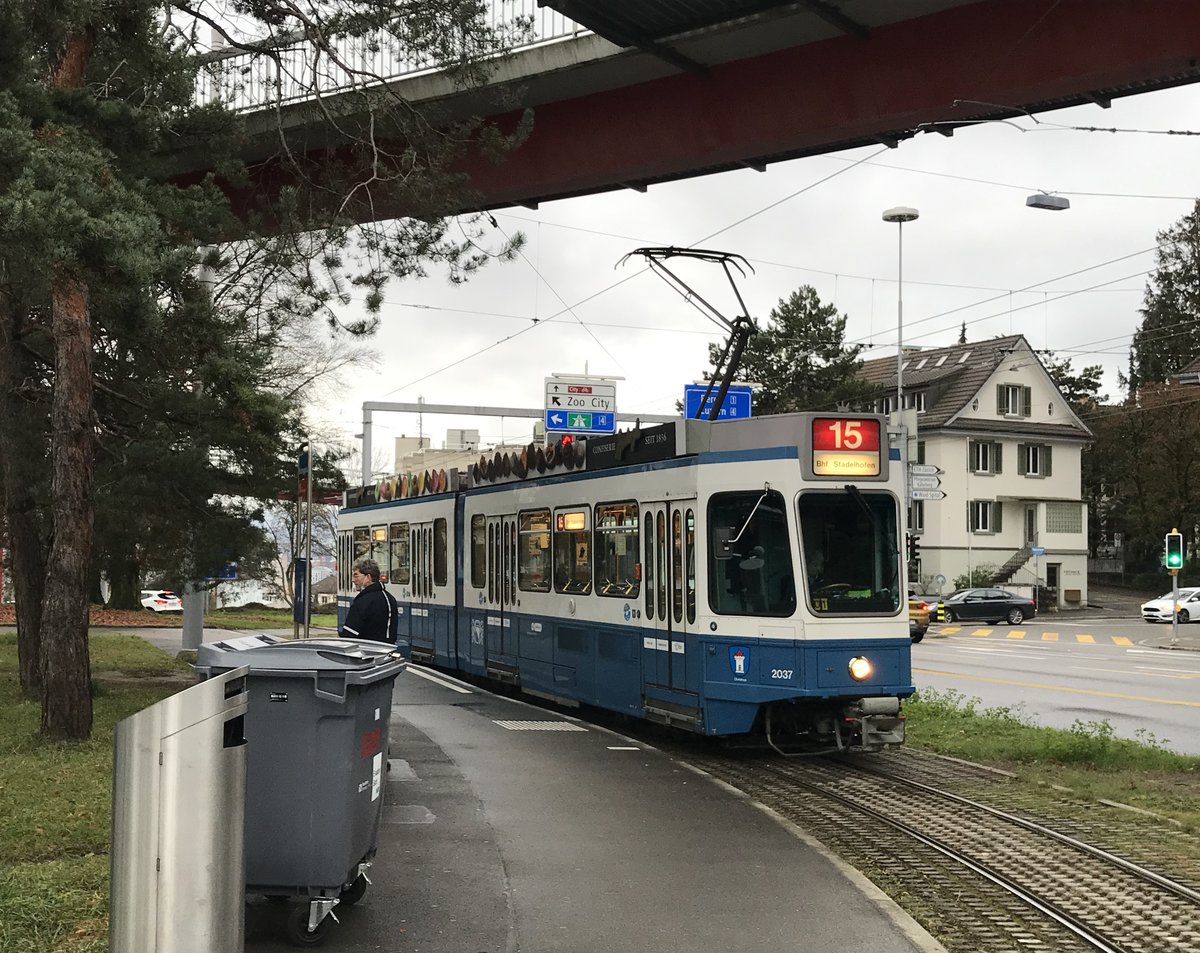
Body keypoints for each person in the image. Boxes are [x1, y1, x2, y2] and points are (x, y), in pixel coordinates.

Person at [339, 557, 399, 643]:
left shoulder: (362, 602)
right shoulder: (390, 599)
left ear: (368, 577)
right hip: (387, 650)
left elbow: (349, 635)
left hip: (366, 651)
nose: (353, 580)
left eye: (356, 575)